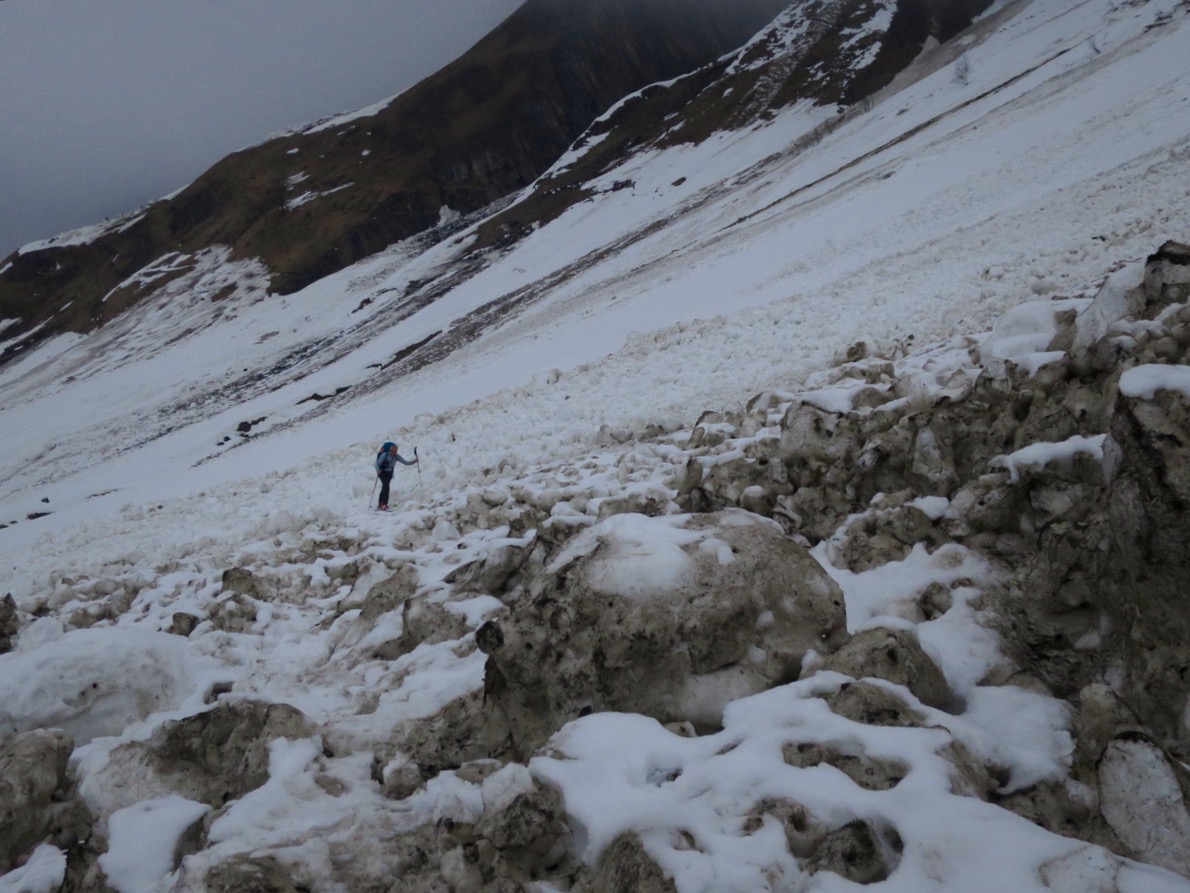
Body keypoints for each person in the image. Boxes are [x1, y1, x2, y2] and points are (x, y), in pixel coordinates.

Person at [374, 441, 417, 510]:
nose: (394, 453)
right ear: (390, 451)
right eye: (393, 452)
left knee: (386, 487)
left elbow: (405, 462)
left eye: (395, 451)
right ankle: (381, 504)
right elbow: (377, 464)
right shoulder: (384, 455)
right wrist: (378, 470)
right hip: (382, 472)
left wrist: (414, 461)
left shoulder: (396, 456)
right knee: (385, 486)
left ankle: (384, 504)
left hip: (389, 474)